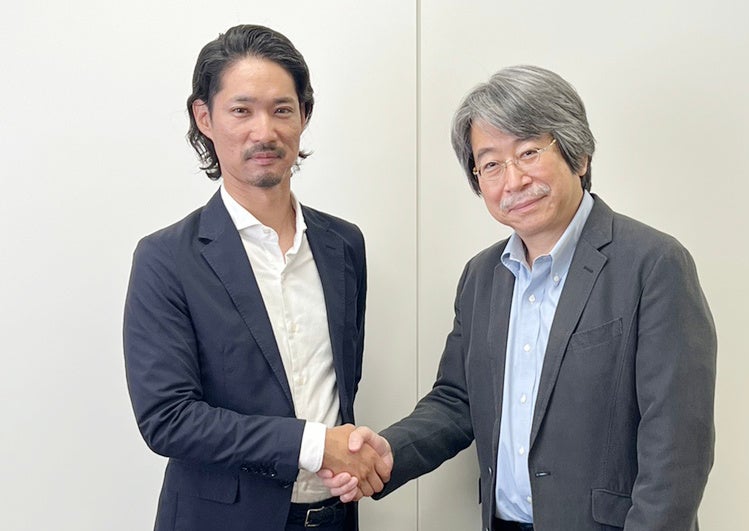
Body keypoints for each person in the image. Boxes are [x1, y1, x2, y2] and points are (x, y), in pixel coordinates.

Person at [321, 65, 717, 530]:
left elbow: (677, 448)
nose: (512, 181)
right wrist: (390, 453)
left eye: (528, 152)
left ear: (579, 154)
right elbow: (457, 401)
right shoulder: (482, 277)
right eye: (490, 164)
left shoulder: (653, 264)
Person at [123, 24, 389, 531]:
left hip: (334, 517)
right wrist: (315, 444)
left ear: (304, 115)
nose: (264, 132)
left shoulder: (344, 245)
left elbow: (340, 389)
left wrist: (345, 455)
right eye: (241, 111)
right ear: (205, 117)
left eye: (282, 110)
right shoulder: (165, 258)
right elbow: (167, 418)